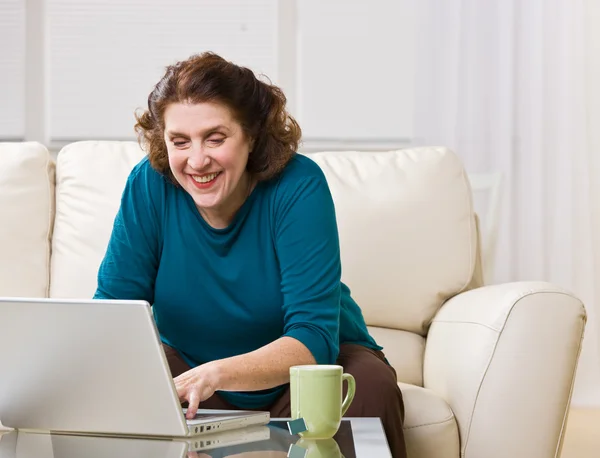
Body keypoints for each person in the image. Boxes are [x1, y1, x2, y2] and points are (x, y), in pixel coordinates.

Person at [93, 51, 407, 458]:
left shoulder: (297, 185)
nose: (197, 160)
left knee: (370, 388)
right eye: (179, 141)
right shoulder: (149, 185)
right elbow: (113, 313)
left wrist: (219, 373)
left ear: (252, 136)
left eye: (216, 138)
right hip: (192, 375)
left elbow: (313, 337)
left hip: (304, 377)